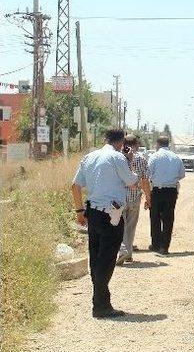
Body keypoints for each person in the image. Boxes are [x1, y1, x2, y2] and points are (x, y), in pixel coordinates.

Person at [71, 128, 138, 318]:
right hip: (112, 215)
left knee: (96, 258)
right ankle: (100, 306)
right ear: (122, 142)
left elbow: (75, 186)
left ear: (105, 139)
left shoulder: (89, 157)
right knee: (106, 261)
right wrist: (130, 160)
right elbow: (132, 182)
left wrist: (79, 212)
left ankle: (101, 302)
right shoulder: (118, 158)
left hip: (92, 212)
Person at [116, 134, 152, 265]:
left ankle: (123, 252)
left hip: (118, 197)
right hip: (134, 197)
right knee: (130, 227)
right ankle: (127, 253)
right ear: (136, 144)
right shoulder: (141, 159)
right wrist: (148, 198)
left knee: (119, 226)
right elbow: (145, 180)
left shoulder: (117, 157)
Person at [147, 135, 185, 255]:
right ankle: (164, 247)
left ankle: (156, 244)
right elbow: (182, 175)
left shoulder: (154, 157)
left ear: (157, 144)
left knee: (155, 218)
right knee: (168, 219)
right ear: (168, 144)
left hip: (157, 191)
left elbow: (148, 173)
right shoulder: (176, 157)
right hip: (171, 191)